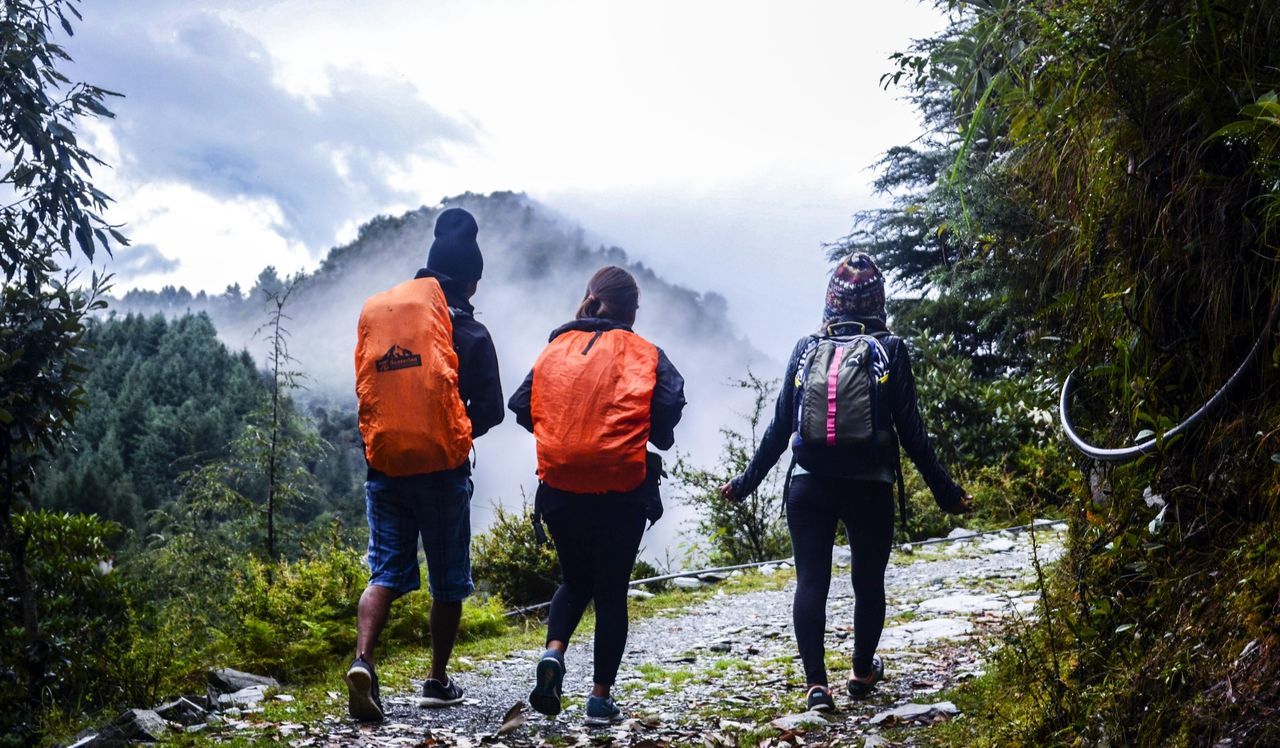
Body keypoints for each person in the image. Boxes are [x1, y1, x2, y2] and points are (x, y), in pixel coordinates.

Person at [720, 252, 971, 711]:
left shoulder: (805, 348)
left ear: (830, 302)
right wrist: (946, 493)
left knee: (810, 582)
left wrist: (745, 483)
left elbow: (780, 428)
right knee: (868, 583)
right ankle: (860, 672)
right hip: (869, 484)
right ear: (878, 302)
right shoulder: (888, 349)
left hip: (808, 484)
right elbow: (912, 433)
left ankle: (816, 686)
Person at [508, 266, 686, 726]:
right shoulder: (646, 353)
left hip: (561, 490)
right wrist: (651, 433)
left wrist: (559, 430)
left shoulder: (556, 347)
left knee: (574, 580)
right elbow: (670, 402)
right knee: (611, 592)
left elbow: (521, 404)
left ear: (590, 299)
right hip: (621, 492)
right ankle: (599, 697)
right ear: (632, 310)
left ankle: (554, 653)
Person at [346, 207, 504, 722]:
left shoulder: (387, 315)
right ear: (471, 281)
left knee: (385, 570)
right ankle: (436, 679)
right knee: (448, 578)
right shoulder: (471, 333)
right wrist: (453, 429)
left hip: (385, 467)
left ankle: (363, 661)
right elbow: (493, 410)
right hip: (442, 473)